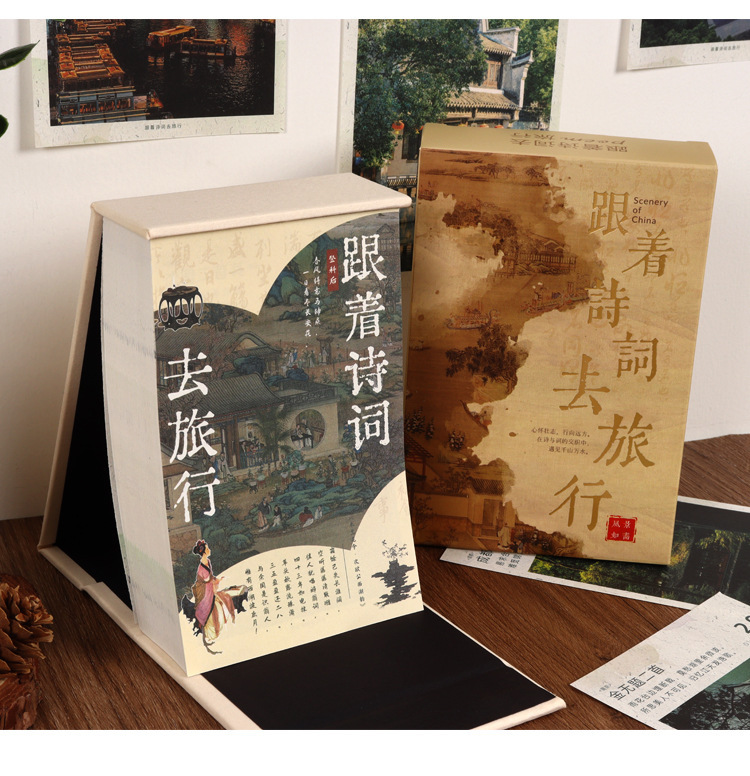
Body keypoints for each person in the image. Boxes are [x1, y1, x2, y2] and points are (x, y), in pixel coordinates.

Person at [192, 540, 236, 653]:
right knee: (208, 609)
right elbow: (207, 579)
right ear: (204, 552)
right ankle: (209, 634)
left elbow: (211, 577)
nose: (209, 550)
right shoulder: (202, 566)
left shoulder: (208, 561)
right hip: (205, 591)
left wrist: (217, 579)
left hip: (209, 587)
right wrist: (216, 581)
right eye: (207, 549)